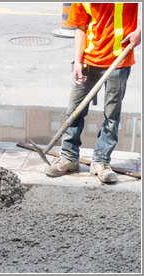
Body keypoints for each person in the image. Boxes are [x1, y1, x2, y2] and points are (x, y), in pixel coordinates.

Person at [45, 3, 141, 183]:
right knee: (74, 111)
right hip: (89, 60)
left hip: (119, 60)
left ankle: (101, 161)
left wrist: (140, 31)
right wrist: (78, 62)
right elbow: (80, 28)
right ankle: (69, 157)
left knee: (112, 115)